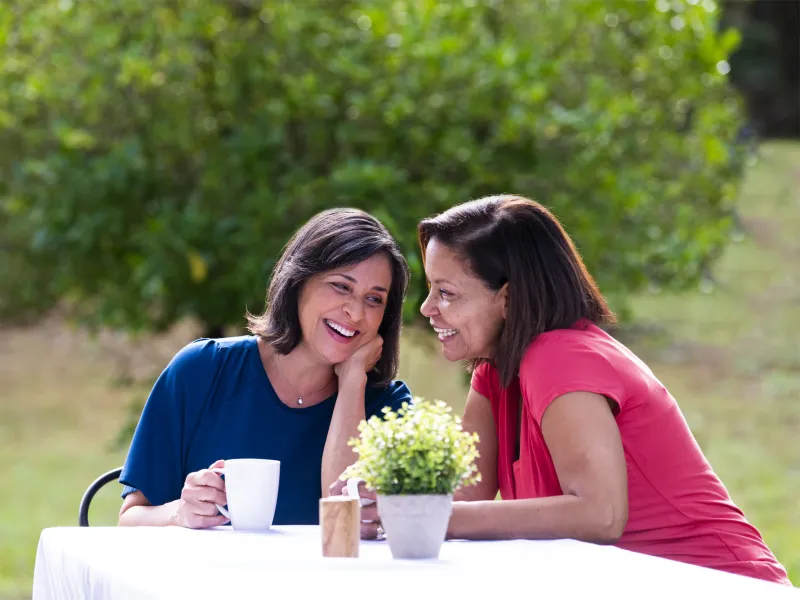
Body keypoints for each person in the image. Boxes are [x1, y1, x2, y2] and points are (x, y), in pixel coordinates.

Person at [337, 194, 790, 584]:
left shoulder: (561, 356)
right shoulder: (494, 373)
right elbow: (465, 497)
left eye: (447, 292)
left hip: (718, 584)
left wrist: (427, 517)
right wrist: (391, 499)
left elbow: (600, 514)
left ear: (509, 299)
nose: (428, 308)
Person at [118, 208, 411, 529]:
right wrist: (179, 513)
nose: (355, 313)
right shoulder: (202, 370)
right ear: (299, 281)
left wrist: (353, 382)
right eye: (342, 286)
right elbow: (131, 520)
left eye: (374, 300)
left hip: (331, 580)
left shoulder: (388, 409)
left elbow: (348, 523)